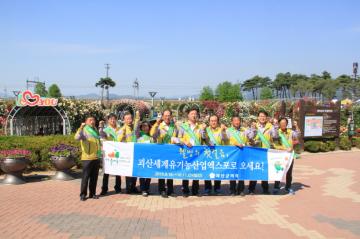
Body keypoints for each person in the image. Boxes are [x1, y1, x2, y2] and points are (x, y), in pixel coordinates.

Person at [177, 106, 207, 197]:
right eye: (192, 113)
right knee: (186, 171)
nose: (194, 115)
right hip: (186, 152)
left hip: (197, 153)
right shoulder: (183, 126)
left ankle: (195, 190)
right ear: (188, 115)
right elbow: (178, 138)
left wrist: (204, 130)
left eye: (195, 114)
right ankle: (185, 190)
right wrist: (185, 142)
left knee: (196, 171)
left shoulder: (200, 126)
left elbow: (204, 138)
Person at [150, 109, 179, 198]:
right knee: (162, 171)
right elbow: (152, 134)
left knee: (170, 171)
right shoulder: (159, 126)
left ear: (171, 116)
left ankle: (170, 190)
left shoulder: (174, 126)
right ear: (162, 117)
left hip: (171, 151)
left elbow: (177, 137)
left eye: (168, 115)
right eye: (165, 115)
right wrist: (156, 124)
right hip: (161, 152)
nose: (167, 117)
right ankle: (162, 190)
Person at [248, 110, 277, 195]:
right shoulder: (254, 126)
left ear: (267, 117)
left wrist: (275, 126)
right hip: (255, 152)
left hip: (265, 152)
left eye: (264, 116)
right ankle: (251, 189)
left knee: (265, 170)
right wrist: (253, 130)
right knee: (254, 170)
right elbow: (249, 137)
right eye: (260, 116)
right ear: (258, 117)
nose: (262, 117)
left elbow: (275, 136)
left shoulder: (270, 126)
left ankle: (265, 189)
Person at [75, 116, 101, 201]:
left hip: (96, 157)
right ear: (86, 122)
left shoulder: (95, 130)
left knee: (94, 177)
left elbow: (98, 142)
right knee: (85, 177)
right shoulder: (84, 130)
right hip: (87, 158)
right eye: (90, 120)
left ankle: (92, 193)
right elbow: (77, 137)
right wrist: (81, 127)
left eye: (93, 120)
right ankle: (83, 194)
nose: (92, 121)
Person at [272, 118, 300, 195]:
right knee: (278, 170)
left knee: (289, 172)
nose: (283, 124)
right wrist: (284, 149)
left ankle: (288, 187)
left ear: (287, 124)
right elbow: (275, 144)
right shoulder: (277, 132)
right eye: (281, 123)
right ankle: (276, 187)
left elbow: (298, 134)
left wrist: (296, 126)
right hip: (280, 155)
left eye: (284, 123)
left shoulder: (291, 132)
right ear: (279, 124)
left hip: (289, 155)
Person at [226, 115, 252, 196]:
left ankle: (241, 190)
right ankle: (232, 190)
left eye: (238, 120)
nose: (237, 122)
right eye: (235, 120)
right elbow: (225, 140)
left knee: (242, 171)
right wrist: (235, 143)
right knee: (232, 171)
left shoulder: (244, 130)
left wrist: (253, 130)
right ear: (232, 122)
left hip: (242, 154)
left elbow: (251, 137)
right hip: (232, 154)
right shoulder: (228, 131)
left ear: (240, 121)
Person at [98, 113, 122, 195]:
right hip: (109, 153)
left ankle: (118, 187)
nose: (113, 120)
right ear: (108, 120)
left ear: (116, 119)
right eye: (111, 119)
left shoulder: (120, 129)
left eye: (114, 118)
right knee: (106, 172)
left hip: (118, 152)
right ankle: (104, 188)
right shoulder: (105, 130)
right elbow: (102, 139)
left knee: (118, 171)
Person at [204, 114, 227, 196]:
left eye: (215, 121)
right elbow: (203, 138)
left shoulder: (221, 130)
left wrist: (223, 131)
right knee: (207, 172)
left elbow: (225, 139)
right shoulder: (205, 130)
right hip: (208, 154)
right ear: (209, 122)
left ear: (218, 122)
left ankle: (217, 189)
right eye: (212, 121)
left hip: (218, 154)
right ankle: (207, 189)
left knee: (218, 171)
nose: (213, 122)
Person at [118, 111, 140, 194]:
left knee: (135, 171)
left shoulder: (134, 127)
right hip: (127, 153)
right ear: (124, 120)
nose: (129, 120)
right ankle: (128, 188)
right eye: (127, 119)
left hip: (135, 152)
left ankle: (133, 187)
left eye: (130, 118)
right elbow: (118, 140)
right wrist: (122, 134)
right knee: (128, 171)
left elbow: (137, 121)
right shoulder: (123, 129)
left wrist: (137, 115)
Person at [136, 121, 154, 197]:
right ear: (141, 128)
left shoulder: (151, 138)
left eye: (147, 126)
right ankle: (143, 189)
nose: (145, 128)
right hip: (142, 159)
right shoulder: (139, 138)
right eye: (143, 126)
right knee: (142, 175)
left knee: (149, 174)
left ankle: (147, 188)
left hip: (149, 159)